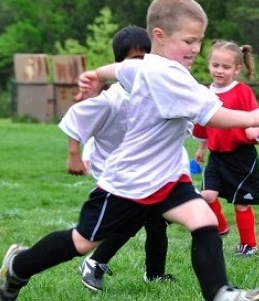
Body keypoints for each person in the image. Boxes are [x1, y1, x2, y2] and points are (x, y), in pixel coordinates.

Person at [0, 0, 259, 300]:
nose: (195, 49)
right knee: (82, 241)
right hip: (130, 182)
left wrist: (97, 74)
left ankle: (221, 293)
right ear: (160, 35)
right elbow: (212, 115)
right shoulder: (167, 74)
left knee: (203, 219)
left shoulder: (149, 65)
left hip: (164, 178)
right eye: (189, 41)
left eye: (199, 41)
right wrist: (254, 116)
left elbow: (123, 68)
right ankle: (18, 266)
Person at [59, 25, 177, 291]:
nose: (141, 64)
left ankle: (155, 274)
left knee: (156, 220)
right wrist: (74, 156)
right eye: (133, 60)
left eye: (145, 57)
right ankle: (95, 262)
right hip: (112, 171)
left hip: (141, 170)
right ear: (118, 64)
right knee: (136, 215)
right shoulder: (111, 99)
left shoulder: (153, 91)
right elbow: (74, 117)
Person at [192, 40, 259, 257]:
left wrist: (256, 130)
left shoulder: (242, 91)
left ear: (237, 69)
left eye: (225, 67)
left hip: (241, 157)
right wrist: (201, 148)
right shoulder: (205, 93)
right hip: (216, 156)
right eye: (215, 65)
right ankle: (220, 228)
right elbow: (204, 124)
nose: (219, 71)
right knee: (206, 196)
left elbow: (258, 117)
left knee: (241, 205)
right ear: (209, 65)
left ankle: (248, 245)